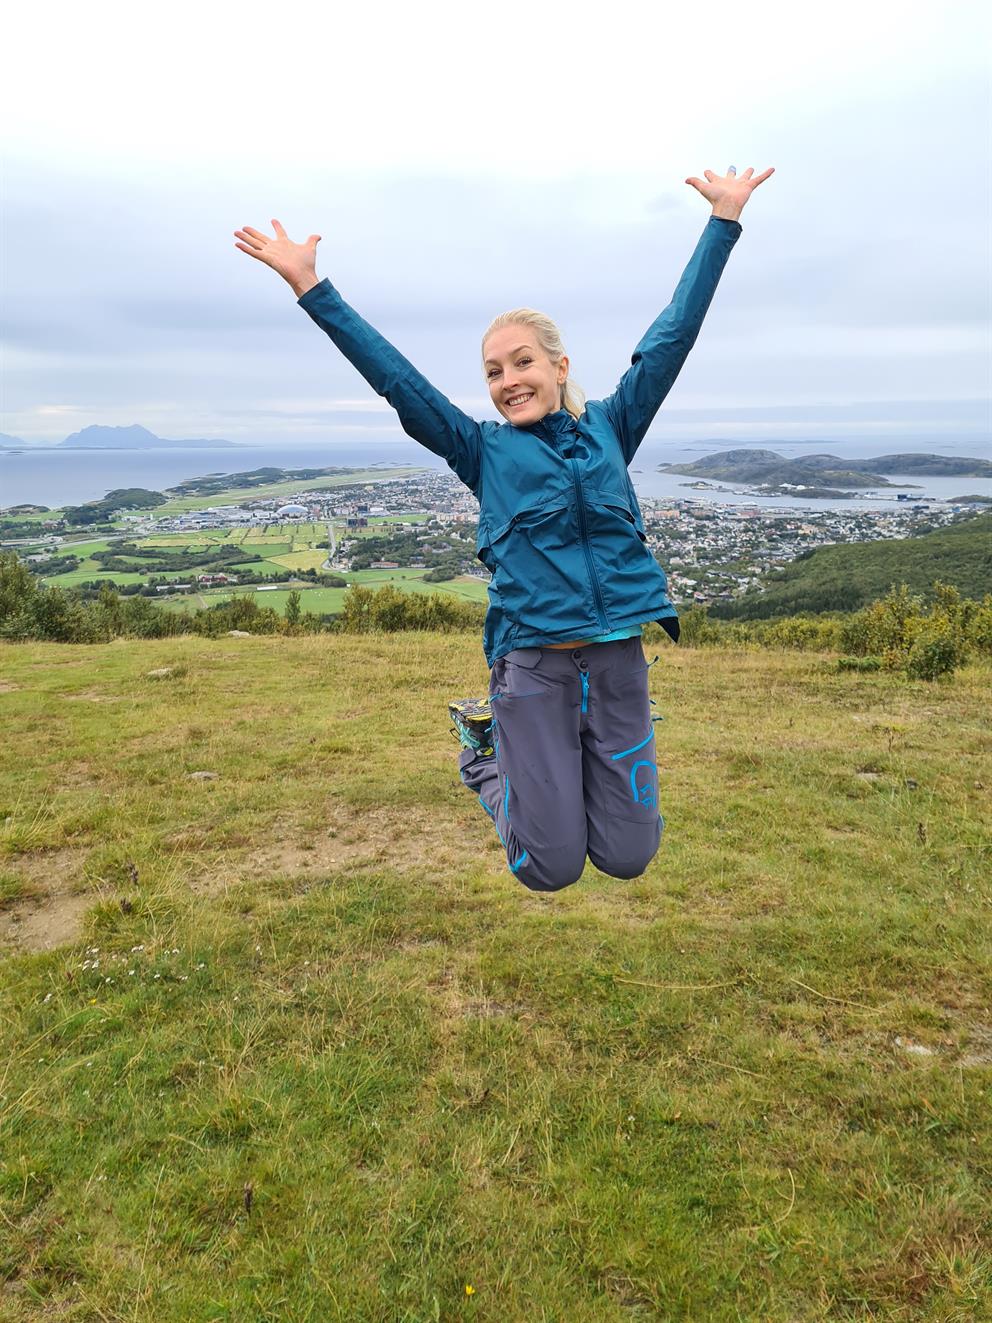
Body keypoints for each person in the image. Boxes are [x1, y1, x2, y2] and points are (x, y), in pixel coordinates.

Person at [234, 164, 774, 893]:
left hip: (618, 666)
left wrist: (722, 225)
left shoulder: (614, 427)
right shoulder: (481, 451)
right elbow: (399, 381)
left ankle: (577, 783)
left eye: (522, 362)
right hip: (534, 669)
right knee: (546, 866)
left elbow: (671, 337)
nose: (508, 379)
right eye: (494, 371)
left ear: (559, 365)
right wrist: (311, 287)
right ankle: (483, 750)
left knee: (627, 856)